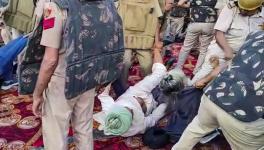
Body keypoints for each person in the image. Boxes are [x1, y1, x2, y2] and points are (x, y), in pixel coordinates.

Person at [32, 0, 124, 149]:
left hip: (62, 82)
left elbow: (50, 60)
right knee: (84, 129)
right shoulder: (106, 4)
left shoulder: (56, 7)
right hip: (88, 77)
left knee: (56, 135)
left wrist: (37, 94)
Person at [172, 30, 264, 150]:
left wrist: (206, 80)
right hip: (243, 113)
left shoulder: (257, 34)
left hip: (213, 95)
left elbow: (233, 63)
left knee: (197, 128)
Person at [94, 44, 189, 137]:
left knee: (159, 73)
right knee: (167, 102)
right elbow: (153, 118)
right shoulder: (139, 127)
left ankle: (163, 71)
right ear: (131, 120)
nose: (129, 107)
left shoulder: (110, 110)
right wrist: (164, 108)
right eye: (130, 110)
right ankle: (167, 79)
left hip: (135, 92)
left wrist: (106, 83)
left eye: (125, 107)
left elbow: (103, 95)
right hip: (150, 103)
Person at [191, 0, 264, 85]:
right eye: (241, 8)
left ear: (258, 7)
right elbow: (219, 33)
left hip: (246, 55)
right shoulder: (230, 8)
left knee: (231, 84)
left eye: (247, 10)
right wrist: (227, 50)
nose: (243, 11)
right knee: (203, 77)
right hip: (222, 49)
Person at [117, 0, 164, 82]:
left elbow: (157, 21)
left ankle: (149, 85)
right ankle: (122, 86)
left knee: (147, 65)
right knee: (125, 62)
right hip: (125, 36)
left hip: (145, 38)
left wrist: (157, 41)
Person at [175, 0, 221, 74]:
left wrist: (193, 6)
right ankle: (196, 72)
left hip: (195, 23)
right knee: (203, 50)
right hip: (209, 24)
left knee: (186, 47)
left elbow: (180, 3)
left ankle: (178, 69)